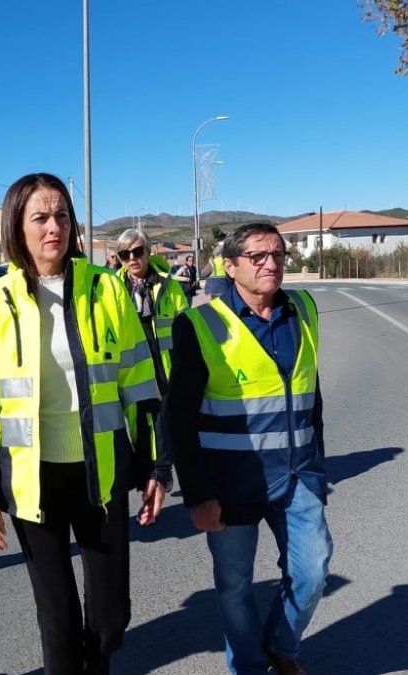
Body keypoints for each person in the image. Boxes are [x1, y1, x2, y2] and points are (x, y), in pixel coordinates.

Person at [0, 173, 170, 675]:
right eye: (40, 217)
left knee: (111, 618)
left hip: (101, 474)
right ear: (17, 226)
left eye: (62, 216)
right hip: (34, 480)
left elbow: (141, 387)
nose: (53, 227)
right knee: (57, 620)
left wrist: (157, 467)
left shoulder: (106, 290)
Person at [163, 222, 332, 675]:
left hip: (297, 476)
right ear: (231, 266)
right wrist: (197, 495)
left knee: (313, 570)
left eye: (277, 254)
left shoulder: (304, 309)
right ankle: (250, 668)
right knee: (235, 585)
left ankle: (281, 645)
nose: (270, 263)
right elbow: (178, 417)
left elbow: (310, 393)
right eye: (257, 256)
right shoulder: (200, 325)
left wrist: (318, 463)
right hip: (229, 484)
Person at [115, 227, 189, 400]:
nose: (132, 258)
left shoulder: (168, 284)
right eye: (125, 254)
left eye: (137, 252)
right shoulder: (113, 287)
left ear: (148, 252)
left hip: (167, 368)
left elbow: (186, 325)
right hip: (131, 371)